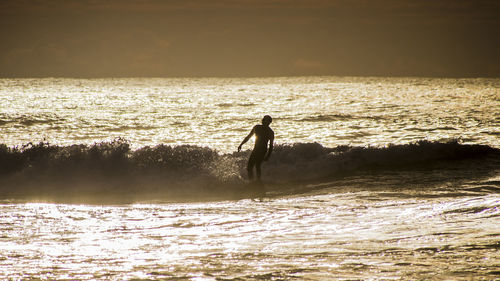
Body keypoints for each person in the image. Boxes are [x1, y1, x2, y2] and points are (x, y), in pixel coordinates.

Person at [238, 115, 274, 181]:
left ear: (269, 122)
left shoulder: (270, 132)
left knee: (257, 166)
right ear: (263, 120)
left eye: (268, 121)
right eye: (265, 120)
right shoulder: (257, 128)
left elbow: (271, 145)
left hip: (263, 150)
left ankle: (257, 182)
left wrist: (268, 156)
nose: (267, 122)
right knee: (249, 167)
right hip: (256, 149)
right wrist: (241, 144)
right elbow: (248, 137)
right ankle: (252, 182)